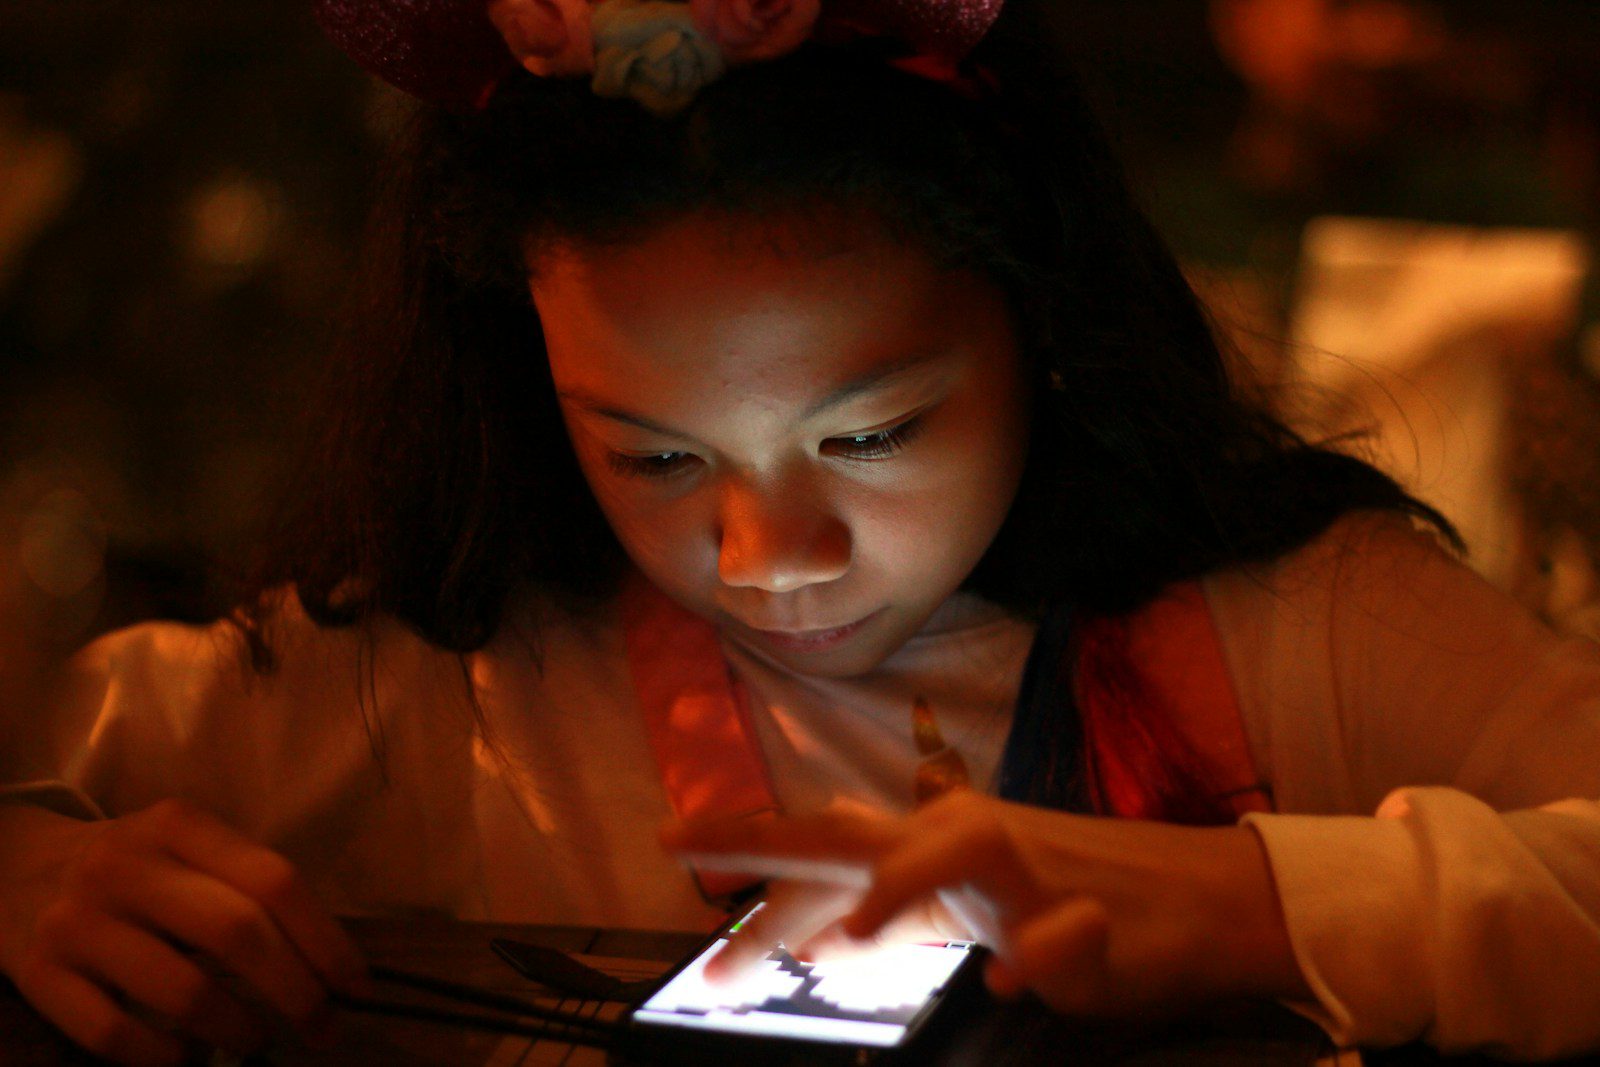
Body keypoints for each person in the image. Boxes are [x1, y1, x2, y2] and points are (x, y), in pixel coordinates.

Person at [0, 0, 1598, 1062]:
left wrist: (1249, 902)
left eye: (877, 432)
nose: (770, 552)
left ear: (1043, 322)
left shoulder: (1301, 628)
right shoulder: (448, 691)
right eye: (654, 454)